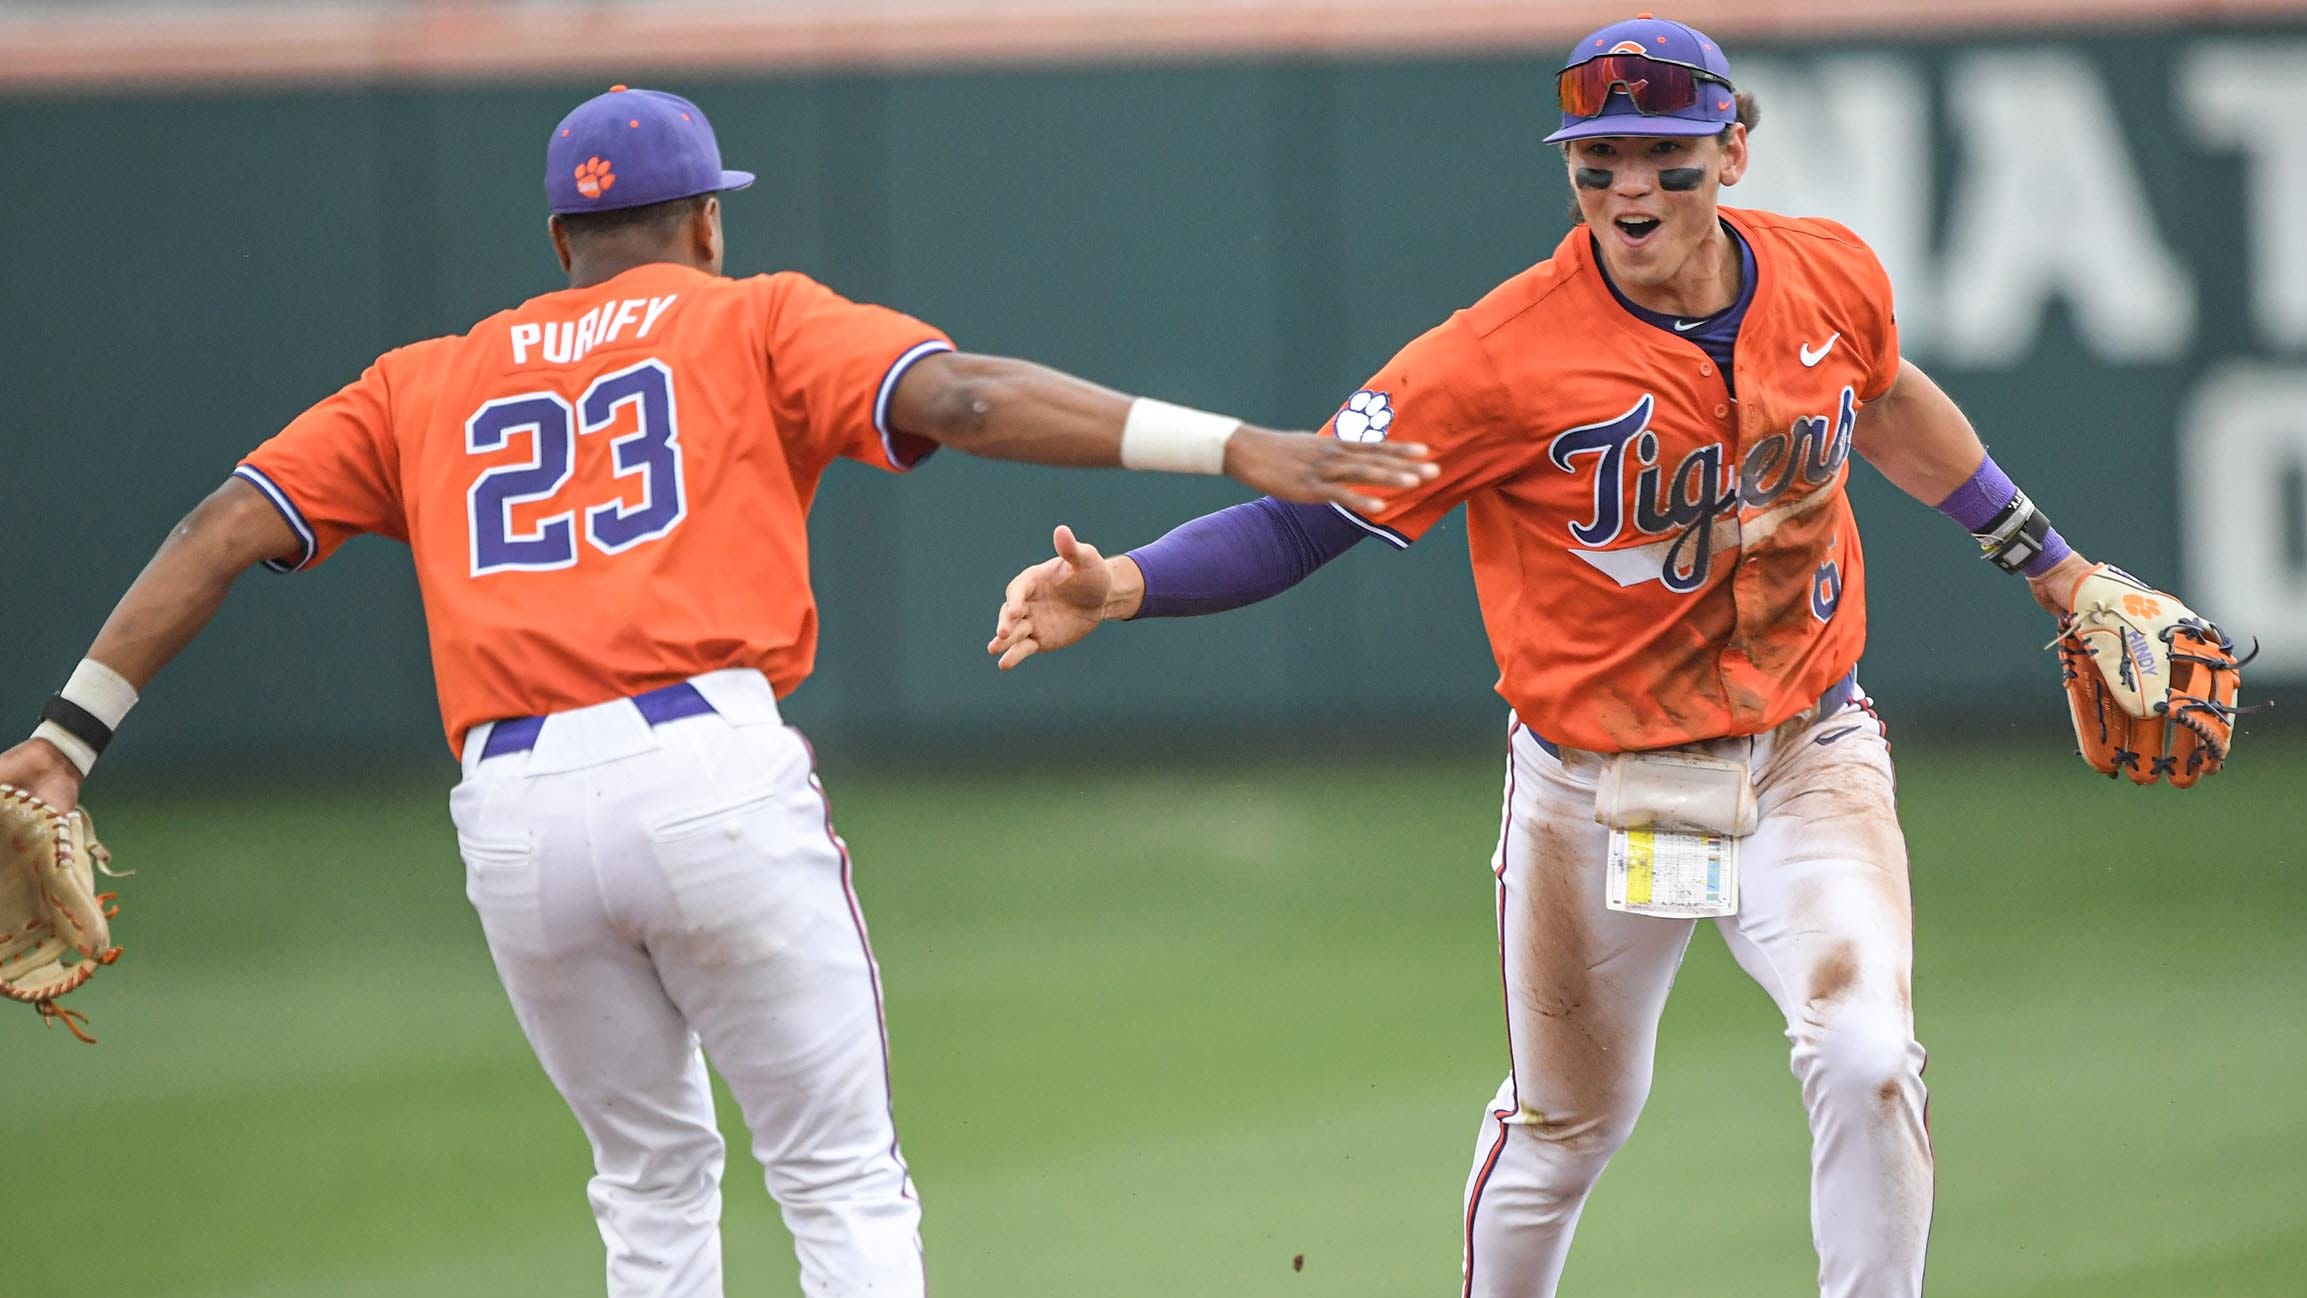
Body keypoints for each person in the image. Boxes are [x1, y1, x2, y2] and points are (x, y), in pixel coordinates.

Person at [0, 86, 1432, 1298]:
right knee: (839, 1178)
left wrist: (69, 735)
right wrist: (1230, 443)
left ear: (562, 239)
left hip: (510, 814)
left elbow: (219, 526)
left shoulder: (418, 382)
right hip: (704, 778)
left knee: (649, 1187)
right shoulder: (750, 319)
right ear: (706, 224)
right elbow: (969, 399)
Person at [984, 16, 2229, 1297]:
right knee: (1569, 1126)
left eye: (1665, 155)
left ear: (1733, 150)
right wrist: (1125, 583)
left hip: (1809, 745)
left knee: (1865, 1050)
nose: (1630, 187)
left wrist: (2054, 564)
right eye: (1598, 159)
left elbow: (1885, 396)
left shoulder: (1830, 275)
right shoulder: (1495, 357)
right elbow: (1310, 511)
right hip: (1596, 784)